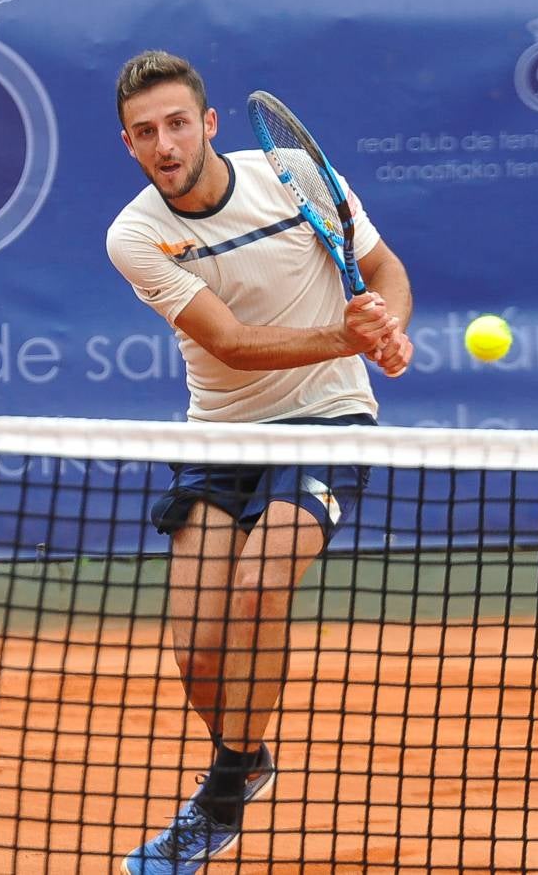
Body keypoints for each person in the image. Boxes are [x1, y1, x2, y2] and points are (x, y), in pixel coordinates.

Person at [106, 49, 413, 874]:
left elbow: (381, 268)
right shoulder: (136, 236)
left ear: (206, 126)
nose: (164, 143)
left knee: (259, 585)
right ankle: (245, 760)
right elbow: (233, 346)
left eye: (176, 124)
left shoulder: (293, 178)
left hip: (326, 418)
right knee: (197, 654)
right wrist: (344, 335)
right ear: (130, 145)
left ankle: (217, 799)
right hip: (220, 435)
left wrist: (387, 322)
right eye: (145, 132)